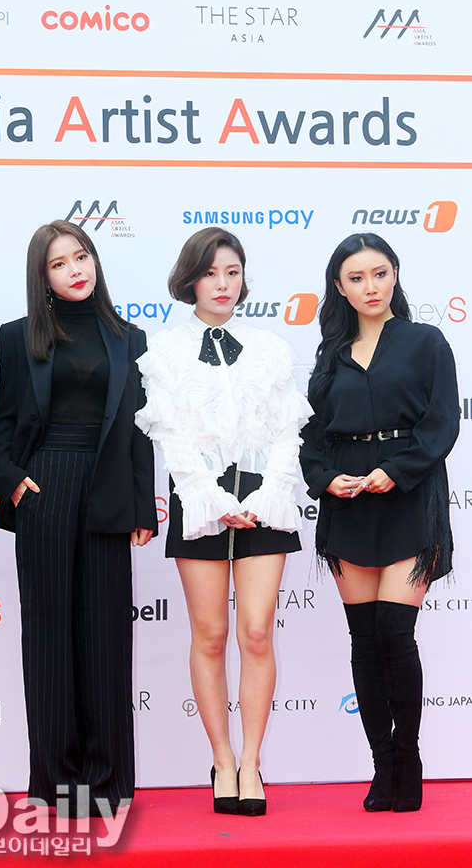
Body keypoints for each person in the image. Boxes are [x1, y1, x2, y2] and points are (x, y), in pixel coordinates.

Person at [135, 227, 310, 815]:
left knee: (256, 632)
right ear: (190, 279)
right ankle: (223, 759)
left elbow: (288, 432)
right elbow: (171, 437)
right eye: (210, 273)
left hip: (268, 503)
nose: (223, 284)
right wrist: (212, 500)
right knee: (209, 634)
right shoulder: (164, 352)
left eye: (232, 272)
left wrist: (266, 496)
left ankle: (253, 761)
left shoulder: (271, 348)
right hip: (198, 500)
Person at [0, 220, 156, 818]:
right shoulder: (18, 336)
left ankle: (107, 784)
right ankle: (57, 784)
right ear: (43, 277)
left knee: (106, 636)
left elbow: (139, 428)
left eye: (80, 256)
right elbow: (5, 421)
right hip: (45, 486)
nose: (74, 270)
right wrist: (10, 480)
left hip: (107, 487)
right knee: (48, 636)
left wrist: (143, 506)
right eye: (58, 264)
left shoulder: (130, 338)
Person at [300, 232, 459, 813]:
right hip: (349, 505)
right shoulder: (329, 354)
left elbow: (442, 423)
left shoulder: (425, 342)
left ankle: (409, 758)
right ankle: (382, 764)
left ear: (395, 275)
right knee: (364, 643)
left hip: (408, 498)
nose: (371, 286)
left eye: (380, 273)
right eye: (356, 278)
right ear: (339, 287)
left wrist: (396, 470)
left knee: (395, 633)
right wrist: (324, 479)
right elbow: (312, 436)